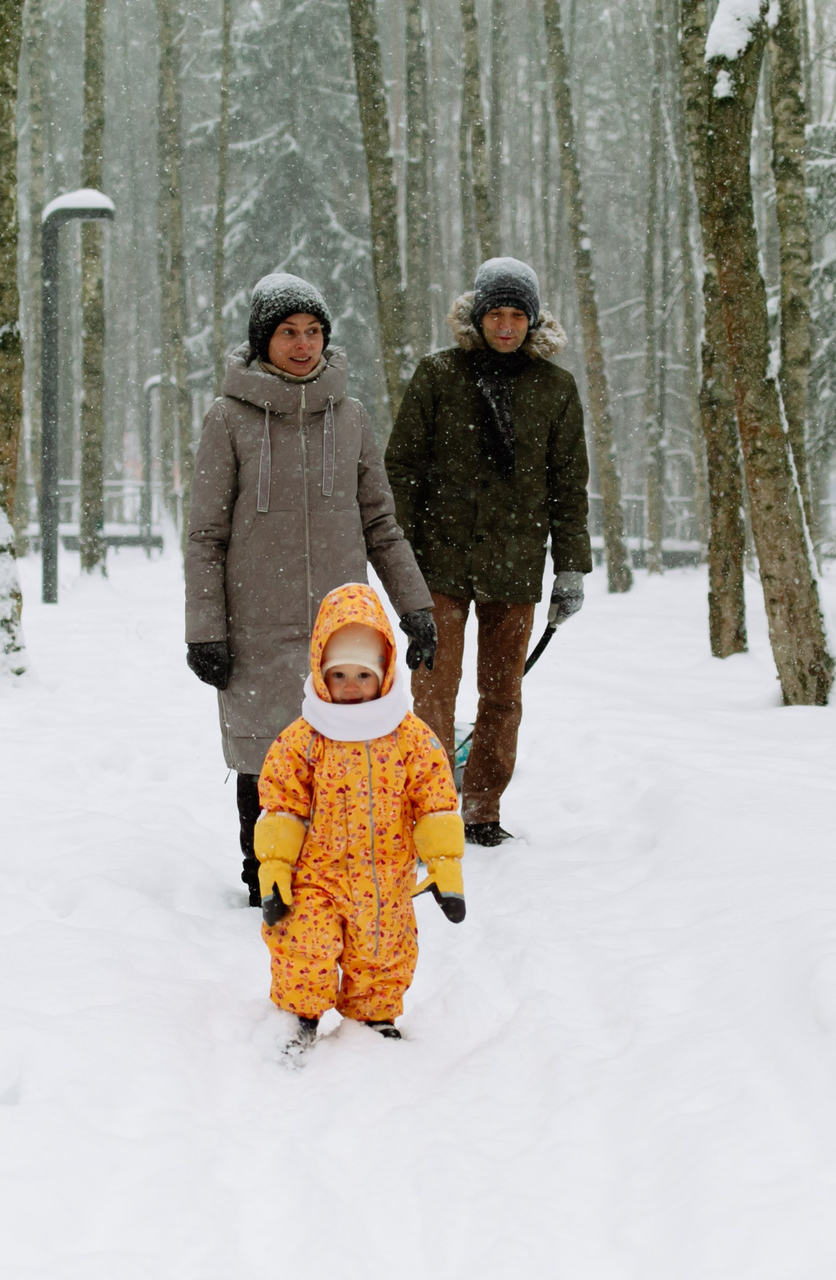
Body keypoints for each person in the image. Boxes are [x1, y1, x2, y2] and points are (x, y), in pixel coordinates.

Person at [186, 273, 438, 905]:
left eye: (314, 332)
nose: (303, 345)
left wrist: (414, 606)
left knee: (341, 752)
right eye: (288, 333)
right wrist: (205, 631)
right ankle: (264, 877)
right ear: (263, 341)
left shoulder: (350, 417)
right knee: (265, 754)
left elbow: (380, 523)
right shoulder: (228, 418)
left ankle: (329, 876)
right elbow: (206, 535)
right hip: (255, 622)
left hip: (339, 628)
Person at [385, 257, 593, 847]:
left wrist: (571, 567)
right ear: (477, 317)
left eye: (517, 315)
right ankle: (429, 807)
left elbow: (568, 484)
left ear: (533, 321)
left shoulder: (555, 389)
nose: (506, 326)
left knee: (502, 695)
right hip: (439, 563)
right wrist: (398, 555)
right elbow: (402, 469)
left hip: (515, 565)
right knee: (433, 689)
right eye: (496, 314)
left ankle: (481, 807)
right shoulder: (438, 375)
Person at [253, 583, 464, 1050]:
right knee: (304, 944)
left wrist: (445, 865)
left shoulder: (410, 737)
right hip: (317, 875)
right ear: (320, 673)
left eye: (363, 675)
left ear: (384, 675)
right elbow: (282, 806)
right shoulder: (304, 738)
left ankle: (373, 1016)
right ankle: (299, 1013)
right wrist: (275, 867)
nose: (351, 686)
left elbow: (435, 803)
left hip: (386, 876)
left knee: (383, 951)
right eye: (339, 674)